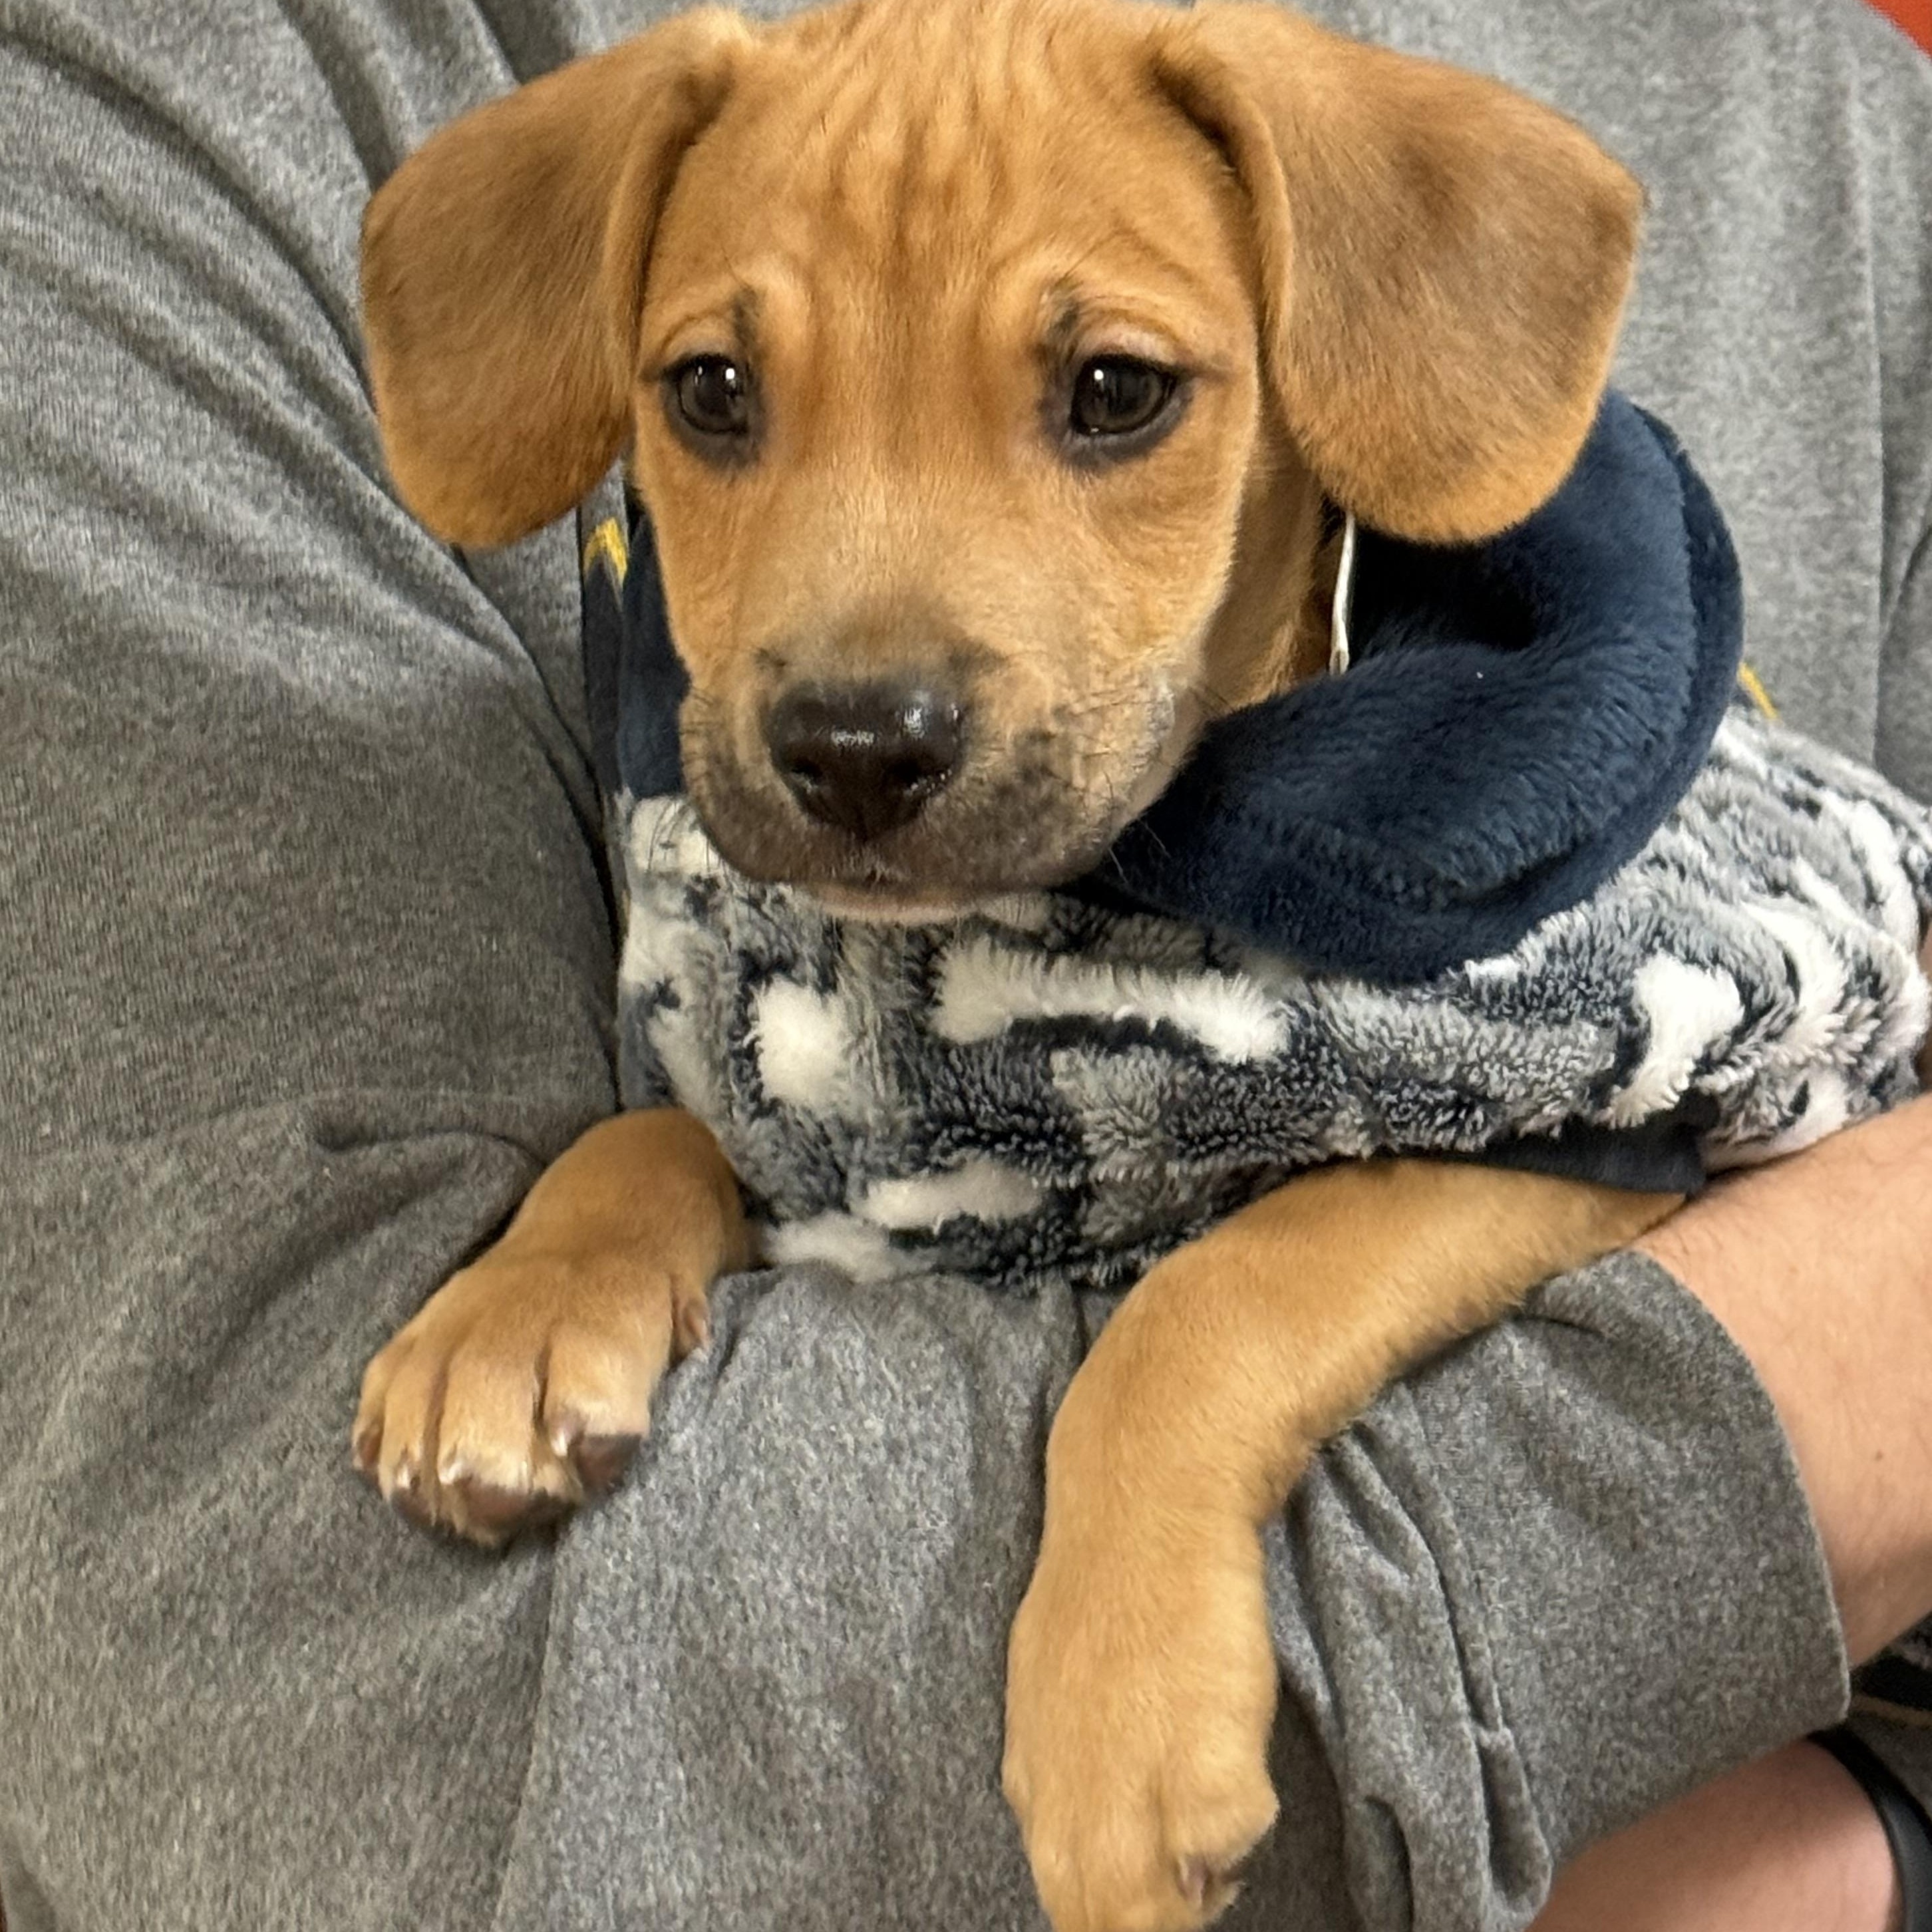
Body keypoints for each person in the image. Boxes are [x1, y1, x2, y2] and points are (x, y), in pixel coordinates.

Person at [1, 0, 1928, 1926]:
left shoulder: (1509, 817)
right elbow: (307, 1737)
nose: (862, 670)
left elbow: (1606, 1157)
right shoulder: (184, 94)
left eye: (1107, 397)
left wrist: (1176, 1431)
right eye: (723, 402)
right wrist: (630, 1195)